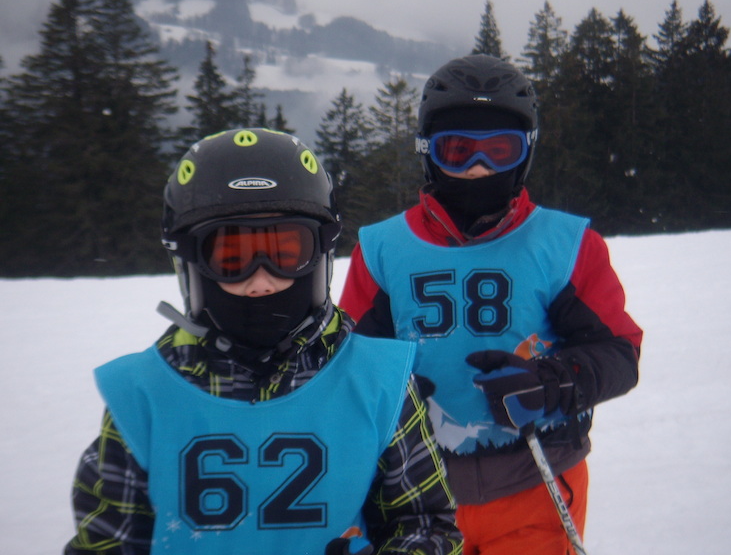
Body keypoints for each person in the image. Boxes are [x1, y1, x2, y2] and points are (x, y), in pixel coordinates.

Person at [65, 128, 461, 555]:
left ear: (321, 255)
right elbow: (106, 544)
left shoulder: (378, 382)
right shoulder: (141, 398)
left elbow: (424, 523)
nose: (261, 282)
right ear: (190, 263)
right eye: (231, 258)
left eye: (286, 253)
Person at [339, 55, 643, 555]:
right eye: (457, 150)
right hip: (416, 494)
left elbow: (620, 354)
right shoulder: (383, 250)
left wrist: (552, 383)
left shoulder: (564, 245)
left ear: (526, 152)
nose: (478, 168)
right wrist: (389, 392)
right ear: (427, 150)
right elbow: (349, 368)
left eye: (499, 150)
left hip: (536, 484)